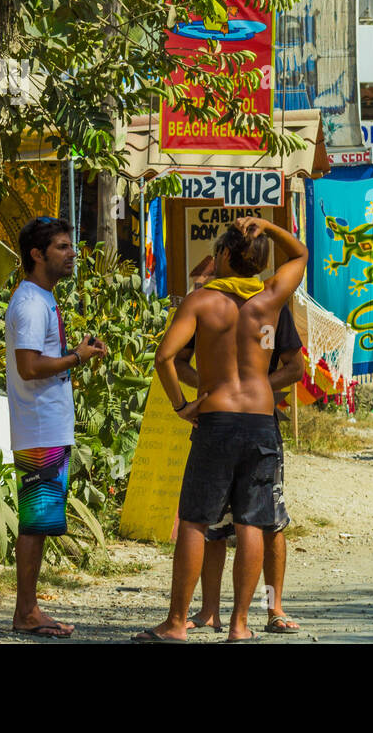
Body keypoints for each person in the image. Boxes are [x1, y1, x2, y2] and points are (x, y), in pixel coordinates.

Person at [134, 215, 307, 643]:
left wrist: (181, 406)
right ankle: (240, 626)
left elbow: (164, 359)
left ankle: (176, 625)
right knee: (251, 523)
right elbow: (300, 253)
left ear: (225, 256)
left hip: (217, 420)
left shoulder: (202, 302)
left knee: (195, 520)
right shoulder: (271, 299)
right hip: (261, 422)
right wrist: (267, 226)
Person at [172, 255, 306, 635]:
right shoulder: (208, 305)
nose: (208, 278)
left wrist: (258, 385)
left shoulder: (268, 306)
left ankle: (273, 606)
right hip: (225, 418)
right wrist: (208, 384)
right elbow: (179, 359)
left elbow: (295, 368)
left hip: (254, 420)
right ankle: (214, 612)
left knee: (267, 522)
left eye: (212, 271)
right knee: (216, 521)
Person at [5, 216, 108, 638]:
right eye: (63, 246)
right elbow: (29, 367)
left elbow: (39, 359)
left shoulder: (41, 297)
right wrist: (78, 358)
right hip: (38, 427)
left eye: (71, 245)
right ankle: (26, 612)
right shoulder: (30, 302)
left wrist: (73, 353)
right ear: (37, 254)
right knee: (36, 521)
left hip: (47, 425)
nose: (72, 254)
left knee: (42, 521)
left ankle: (29, 608)